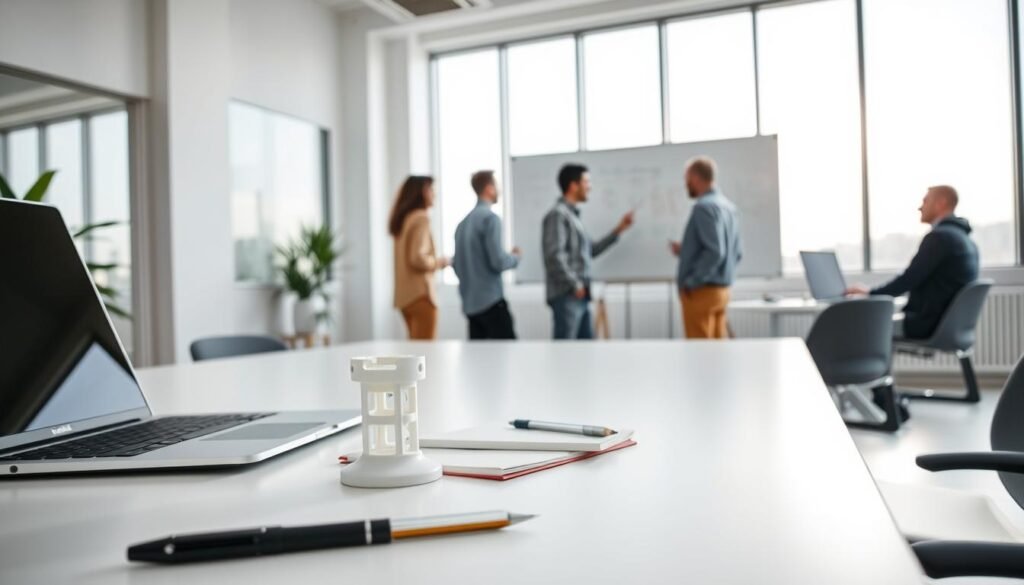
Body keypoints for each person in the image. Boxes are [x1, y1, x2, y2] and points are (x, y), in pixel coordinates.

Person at [847, 185, 979, 340]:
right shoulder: (965, 240)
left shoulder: (940, 238)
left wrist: (869, 293)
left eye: (925, 201)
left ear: (941, 203)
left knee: (858, 324)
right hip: (950, 325)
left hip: (926, 324)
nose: (920, 207)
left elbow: (908, 280)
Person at [542, 163, 634, 340]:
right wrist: (574, 284)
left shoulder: (573, 217)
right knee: (566, 355)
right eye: (586, 182)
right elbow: (554, 256)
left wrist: (619, 229)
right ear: (573, 185)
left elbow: (590, 250)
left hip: (580, 295)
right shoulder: (558, 215)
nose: (589, 187)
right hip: (568, 295)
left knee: (585, 352)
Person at [670, 156, 742, 339]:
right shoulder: (728, 207)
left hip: (701, 292)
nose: (686, 184)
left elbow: (715, 251)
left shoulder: (703, 207)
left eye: (687, 179)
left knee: (699, 356)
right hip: (722, 291)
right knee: (716, 355)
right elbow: (736, 252)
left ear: (695, 178)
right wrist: (686, 250)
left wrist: (692, 282)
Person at [452, 170, 521, 340]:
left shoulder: (461, 225)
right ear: (489, 188)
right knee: (508, 358)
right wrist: (515, 257)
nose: (499, 190)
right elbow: (498, 261)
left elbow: (457, 265)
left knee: (479, 363)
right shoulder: (490, 219)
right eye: (497, 186)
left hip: (470, 307)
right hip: (491, 304)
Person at [389, 175, 449, 340]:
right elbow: (417, 258)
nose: (434, 194)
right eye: (431, 189)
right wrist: (440, 262)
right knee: (425, 353)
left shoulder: (403, 219)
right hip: (420, 294)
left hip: (404, 297)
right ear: (421, 192)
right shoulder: (421, 218)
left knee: (415, 351)